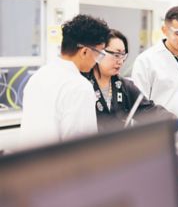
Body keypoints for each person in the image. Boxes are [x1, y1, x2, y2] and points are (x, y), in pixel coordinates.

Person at [19, 14, 110, 149]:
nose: (98, 61)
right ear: (84, 52)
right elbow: (80, 148)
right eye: (99, 54)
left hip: (27, 164)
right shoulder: (79, 87)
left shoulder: (38, 77)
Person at [83, 29, 178, 132]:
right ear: (99, 52)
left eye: (123, 56)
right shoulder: (82, 84)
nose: (120, 61)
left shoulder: (125, 86)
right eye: (116, 55)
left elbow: (150, 111)